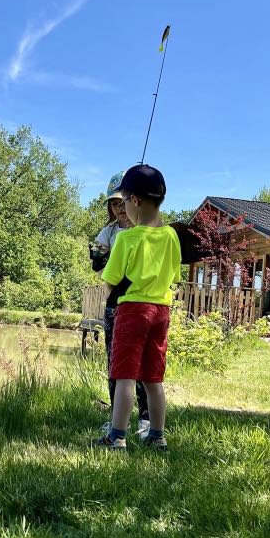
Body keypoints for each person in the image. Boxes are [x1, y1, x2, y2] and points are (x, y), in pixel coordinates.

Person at [93, 163, 180, 451]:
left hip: (132, 311)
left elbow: (110, 282)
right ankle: (157, 435)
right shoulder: (171, 236)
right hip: (161, 313)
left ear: (136, 201)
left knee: (125, 376)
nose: (123, 208)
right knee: (153, 378)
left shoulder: (127, 238)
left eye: (125, 201)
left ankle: (116, 435)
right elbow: (174, 276)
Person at [90, 172, 150, 437]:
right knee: (115, 362)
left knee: (143, 363)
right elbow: (98, 266)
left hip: (141, 303)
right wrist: (100, 256)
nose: (120, 208)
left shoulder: (146, 231)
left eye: (124, 202)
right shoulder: (109, 232)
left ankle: (145, 419)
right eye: (115, 204)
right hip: (115, 305)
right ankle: (117, 417)